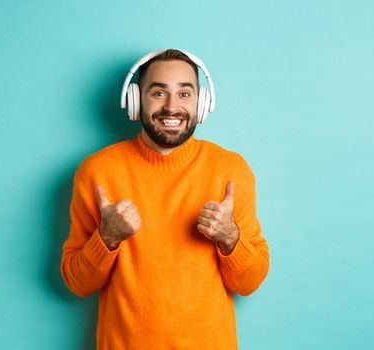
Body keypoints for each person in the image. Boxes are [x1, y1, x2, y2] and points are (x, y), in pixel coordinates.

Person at [60, 48, 270, 349]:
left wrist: (229, 238)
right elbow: (78, 283)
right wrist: (106, 238)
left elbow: (249, 284)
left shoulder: (231, 170)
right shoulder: (97, 172)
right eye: (158, 92)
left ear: (202, 103)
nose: (172, 107)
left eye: (185, 94)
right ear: (135, 100)